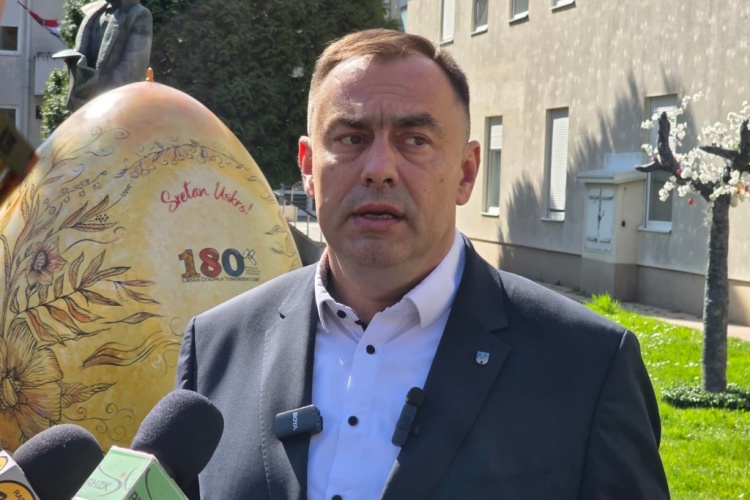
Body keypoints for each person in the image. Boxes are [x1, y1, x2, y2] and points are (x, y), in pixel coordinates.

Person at [176, 29, 670, 499]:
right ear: (307, 167)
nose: (379, 170)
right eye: (351, 138)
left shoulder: (588, 366)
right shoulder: (217, 347)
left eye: (414, 140)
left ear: (466, 172)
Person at [54, 0, 152, 111]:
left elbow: (133, 67)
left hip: (113, 102)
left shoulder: (138, 14)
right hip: (84, 98)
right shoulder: (93, 12)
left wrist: (103, 96)